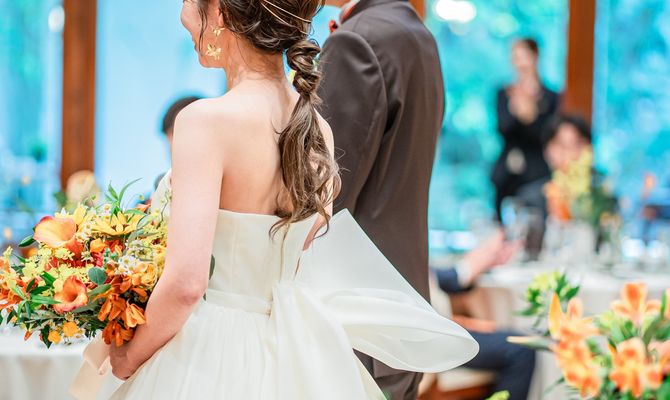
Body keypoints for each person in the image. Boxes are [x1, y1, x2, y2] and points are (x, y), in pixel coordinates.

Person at [104, 0, 477, 399]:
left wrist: (129, 356)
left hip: (210, 349)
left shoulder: (203, 121)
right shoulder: (319, 130)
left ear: (220, 12)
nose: (183, 15)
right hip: (287, 346)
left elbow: (186, 284)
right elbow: (306, 251)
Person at [317, 0, 446, 398]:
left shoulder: (356, 41)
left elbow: (325, 194)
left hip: (356, 316)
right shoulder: (417, 34)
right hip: (403, 308)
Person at [432, 231, 535, 400]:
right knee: (522, 349)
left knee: (516, 343)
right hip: (433, 336)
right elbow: (428, 279)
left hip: (438, 329)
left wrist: (478, 263)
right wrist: (468, 266)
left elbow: (437, 280)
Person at [492, 38, 559, 220]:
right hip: (507, 173)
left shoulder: (551, 97)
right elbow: (502, 129)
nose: (520, 63)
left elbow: (548, 135)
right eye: (515, 57)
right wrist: (516, 112)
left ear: (535, 57)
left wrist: (531, 115)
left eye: (524, 56)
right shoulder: (504, 93)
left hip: (537, 172)